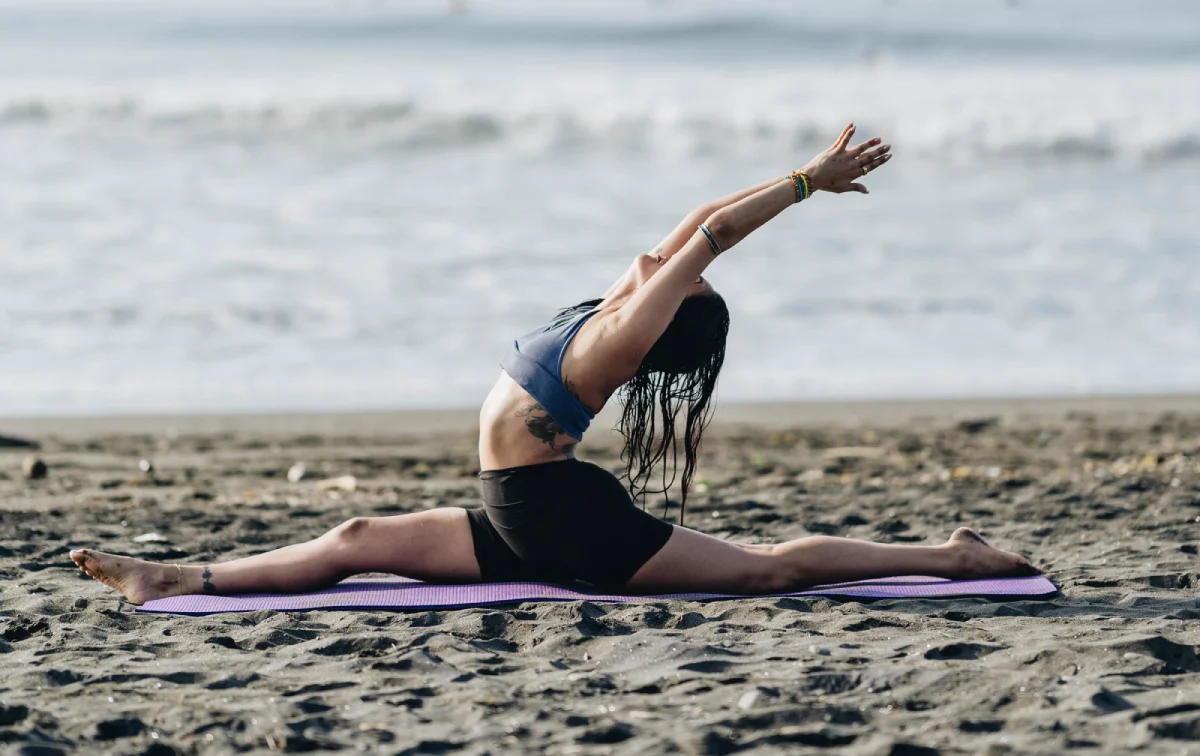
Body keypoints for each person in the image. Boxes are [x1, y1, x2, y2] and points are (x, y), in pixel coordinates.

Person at [71, 123, 1037, 604]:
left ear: (672, 313)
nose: (664, 258)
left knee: (766, 572)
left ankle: (953, 558)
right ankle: (172, 577)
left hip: (562, 523)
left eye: (678, 276)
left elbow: (717, 235)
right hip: (518, 509)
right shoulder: (620, 303)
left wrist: (803, 185)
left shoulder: (621, 339)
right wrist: (782, 175)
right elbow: (700, 219)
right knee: (358, 531)